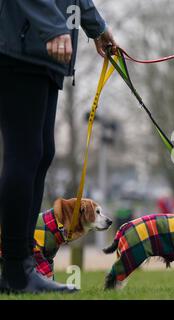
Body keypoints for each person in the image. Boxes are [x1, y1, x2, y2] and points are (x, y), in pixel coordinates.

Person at [0, 0, 117, 294]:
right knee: (25, 153)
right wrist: (51, 26)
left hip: (43, 52)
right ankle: (15, 268)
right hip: (22, 45)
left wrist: (96, 27)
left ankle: (22, 264)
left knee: (40, 154)